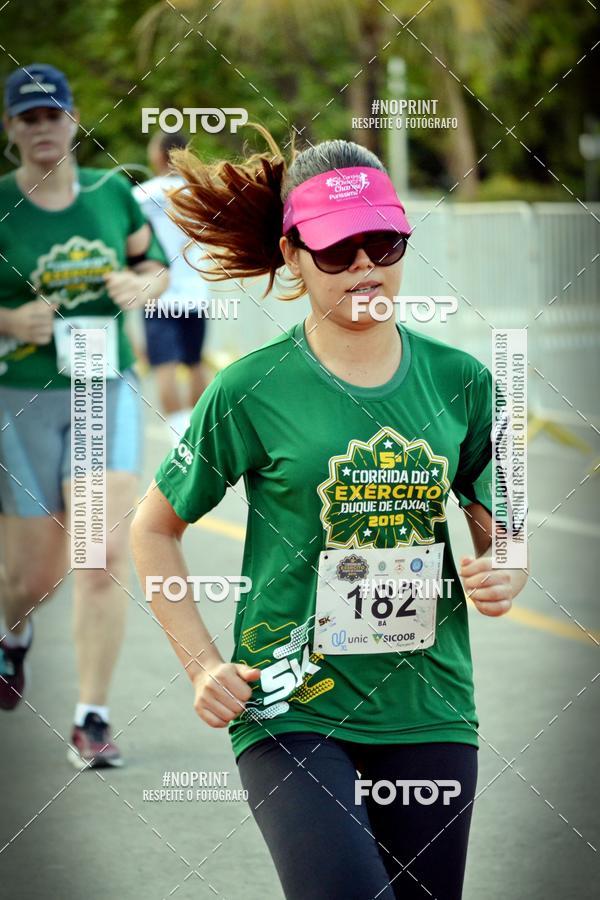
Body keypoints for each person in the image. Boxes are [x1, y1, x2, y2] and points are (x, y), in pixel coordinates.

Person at [129, 125, 529, 899]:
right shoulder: (249, 388)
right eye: (338, 252)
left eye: (384, 245)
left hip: (430, 706)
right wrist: (203, 665)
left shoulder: (466, 382)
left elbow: (504, 522)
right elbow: (152, 528)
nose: (366, 269)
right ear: (291, 255)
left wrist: (504, 566)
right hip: (290, 707)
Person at [0, 63, 169, 769]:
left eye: (53, 116)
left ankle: (90, 719)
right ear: (11, 130)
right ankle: (13, 635)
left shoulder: (111, 194)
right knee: (31, 577)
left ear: (73, 122)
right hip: (22, 399)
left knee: (100, 556)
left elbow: (154, 267)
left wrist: (140, 283)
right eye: (28, 118)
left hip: (104, 391)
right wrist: (10, 319)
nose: (43, 129)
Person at [133, 130, 211, 446]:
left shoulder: (141, 196)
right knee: (194, 362)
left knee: (163, 365)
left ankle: (179, 435)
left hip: (158, 292)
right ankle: (200, 431)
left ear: (158, 155)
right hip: (197, 291)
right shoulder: (201, 194)